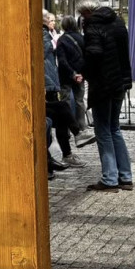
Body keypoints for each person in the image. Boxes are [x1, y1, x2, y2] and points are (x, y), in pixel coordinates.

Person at [78, 0, 135, 192]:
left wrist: (83, 70)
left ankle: (110, 178)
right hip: (120, 82)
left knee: (103, 131)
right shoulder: (118, 22)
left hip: (103, 84)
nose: (81, 18)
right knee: (114, 128)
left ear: (87, 12)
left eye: (82, 14)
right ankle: (125, 176)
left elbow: (94, 54)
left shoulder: (93, 26)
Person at [44, 11, 78, 167]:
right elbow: (42, 59)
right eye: (50, 20)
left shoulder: (50, 34)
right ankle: (76, 136)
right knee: (61, 111)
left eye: (53, 20)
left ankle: (66, 153)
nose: (53, 22)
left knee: (61, 115)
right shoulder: (43, 35)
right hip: (48, 83)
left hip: (51, 82)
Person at [56, 15, 92, 142]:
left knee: (65, 102)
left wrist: (72, 74)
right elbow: (87, 57)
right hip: (80, 76)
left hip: (66, 76)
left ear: (63, 26)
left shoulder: (61, 40)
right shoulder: (81, 38)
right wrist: (81, 74)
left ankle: (67, 129)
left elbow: (62, 61)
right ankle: (82, 127)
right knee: (79, 101)